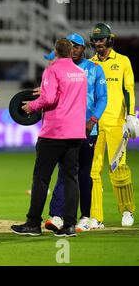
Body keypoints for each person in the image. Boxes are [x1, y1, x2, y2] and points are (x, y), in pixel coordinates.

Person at [11, 38, 87, 237]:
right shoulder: (80, 74)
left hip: (54, 133)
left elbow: (49, 98)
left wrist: (31, 106)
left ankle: (33, 223)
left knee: (41, 179)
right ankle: (70, 225)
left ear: (55, 52)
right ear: (71, 52)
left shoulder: (52, 70)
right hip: (76, 133)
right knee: (71, 178)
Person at [40, 33, 107, 232]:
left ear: (83, 48)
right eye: (71, 46)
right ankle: (58, 215)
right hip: (67, 129)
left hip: (87, 128)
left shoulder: (95, 69)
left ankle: (85, 216)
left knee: (84, 173)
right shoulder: (61, 68)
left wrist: (92, 120)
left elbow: (102, 98)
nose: (74, 49)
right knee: (65, 173)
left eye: (77, 46)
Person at [88, 23, 139, 228]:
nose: (99, 43)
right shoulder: (90, 64)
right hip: (94, 124)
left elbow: (128, 90)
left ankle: (127, 211)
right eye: (96, 40)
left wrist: (130, 115)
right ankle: (95, 217)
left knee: (118, 168)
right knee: (93, 171)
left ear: (110, 40)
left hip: (117, 123)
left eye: (102, 39)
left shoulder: (123, 61)